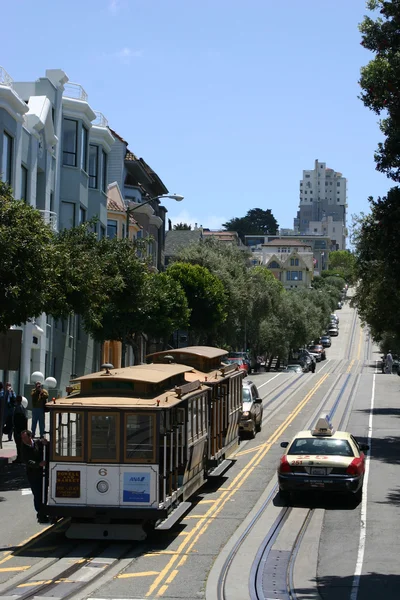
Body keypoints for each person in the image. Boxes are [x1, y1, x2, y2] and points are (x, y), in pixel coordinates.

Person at [21, 430, 49, 523]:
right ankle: (40, 513)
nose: (24, 440)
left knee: (44, 492)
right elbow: (27, 461)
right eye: (22, 438)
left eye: (25, 438)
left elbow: (48, 448)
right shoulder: (23, 448)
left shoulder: (38, 443)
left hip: (43, 473)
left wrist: (46, 443)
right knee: (37, 494)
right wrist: (38, 464)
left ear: (30, 437)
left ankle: (44, 510)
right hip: (33, 474)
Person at [13, 396, 28, 463]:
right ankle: (20, 458)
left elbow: (18, 421)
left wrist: (18, 431)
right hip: (21, 430)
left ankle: (20, 458)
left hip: (19, 430)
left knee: (19, 445)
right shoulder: (22, 408)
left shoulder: (18, 409)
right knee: (20, 444)